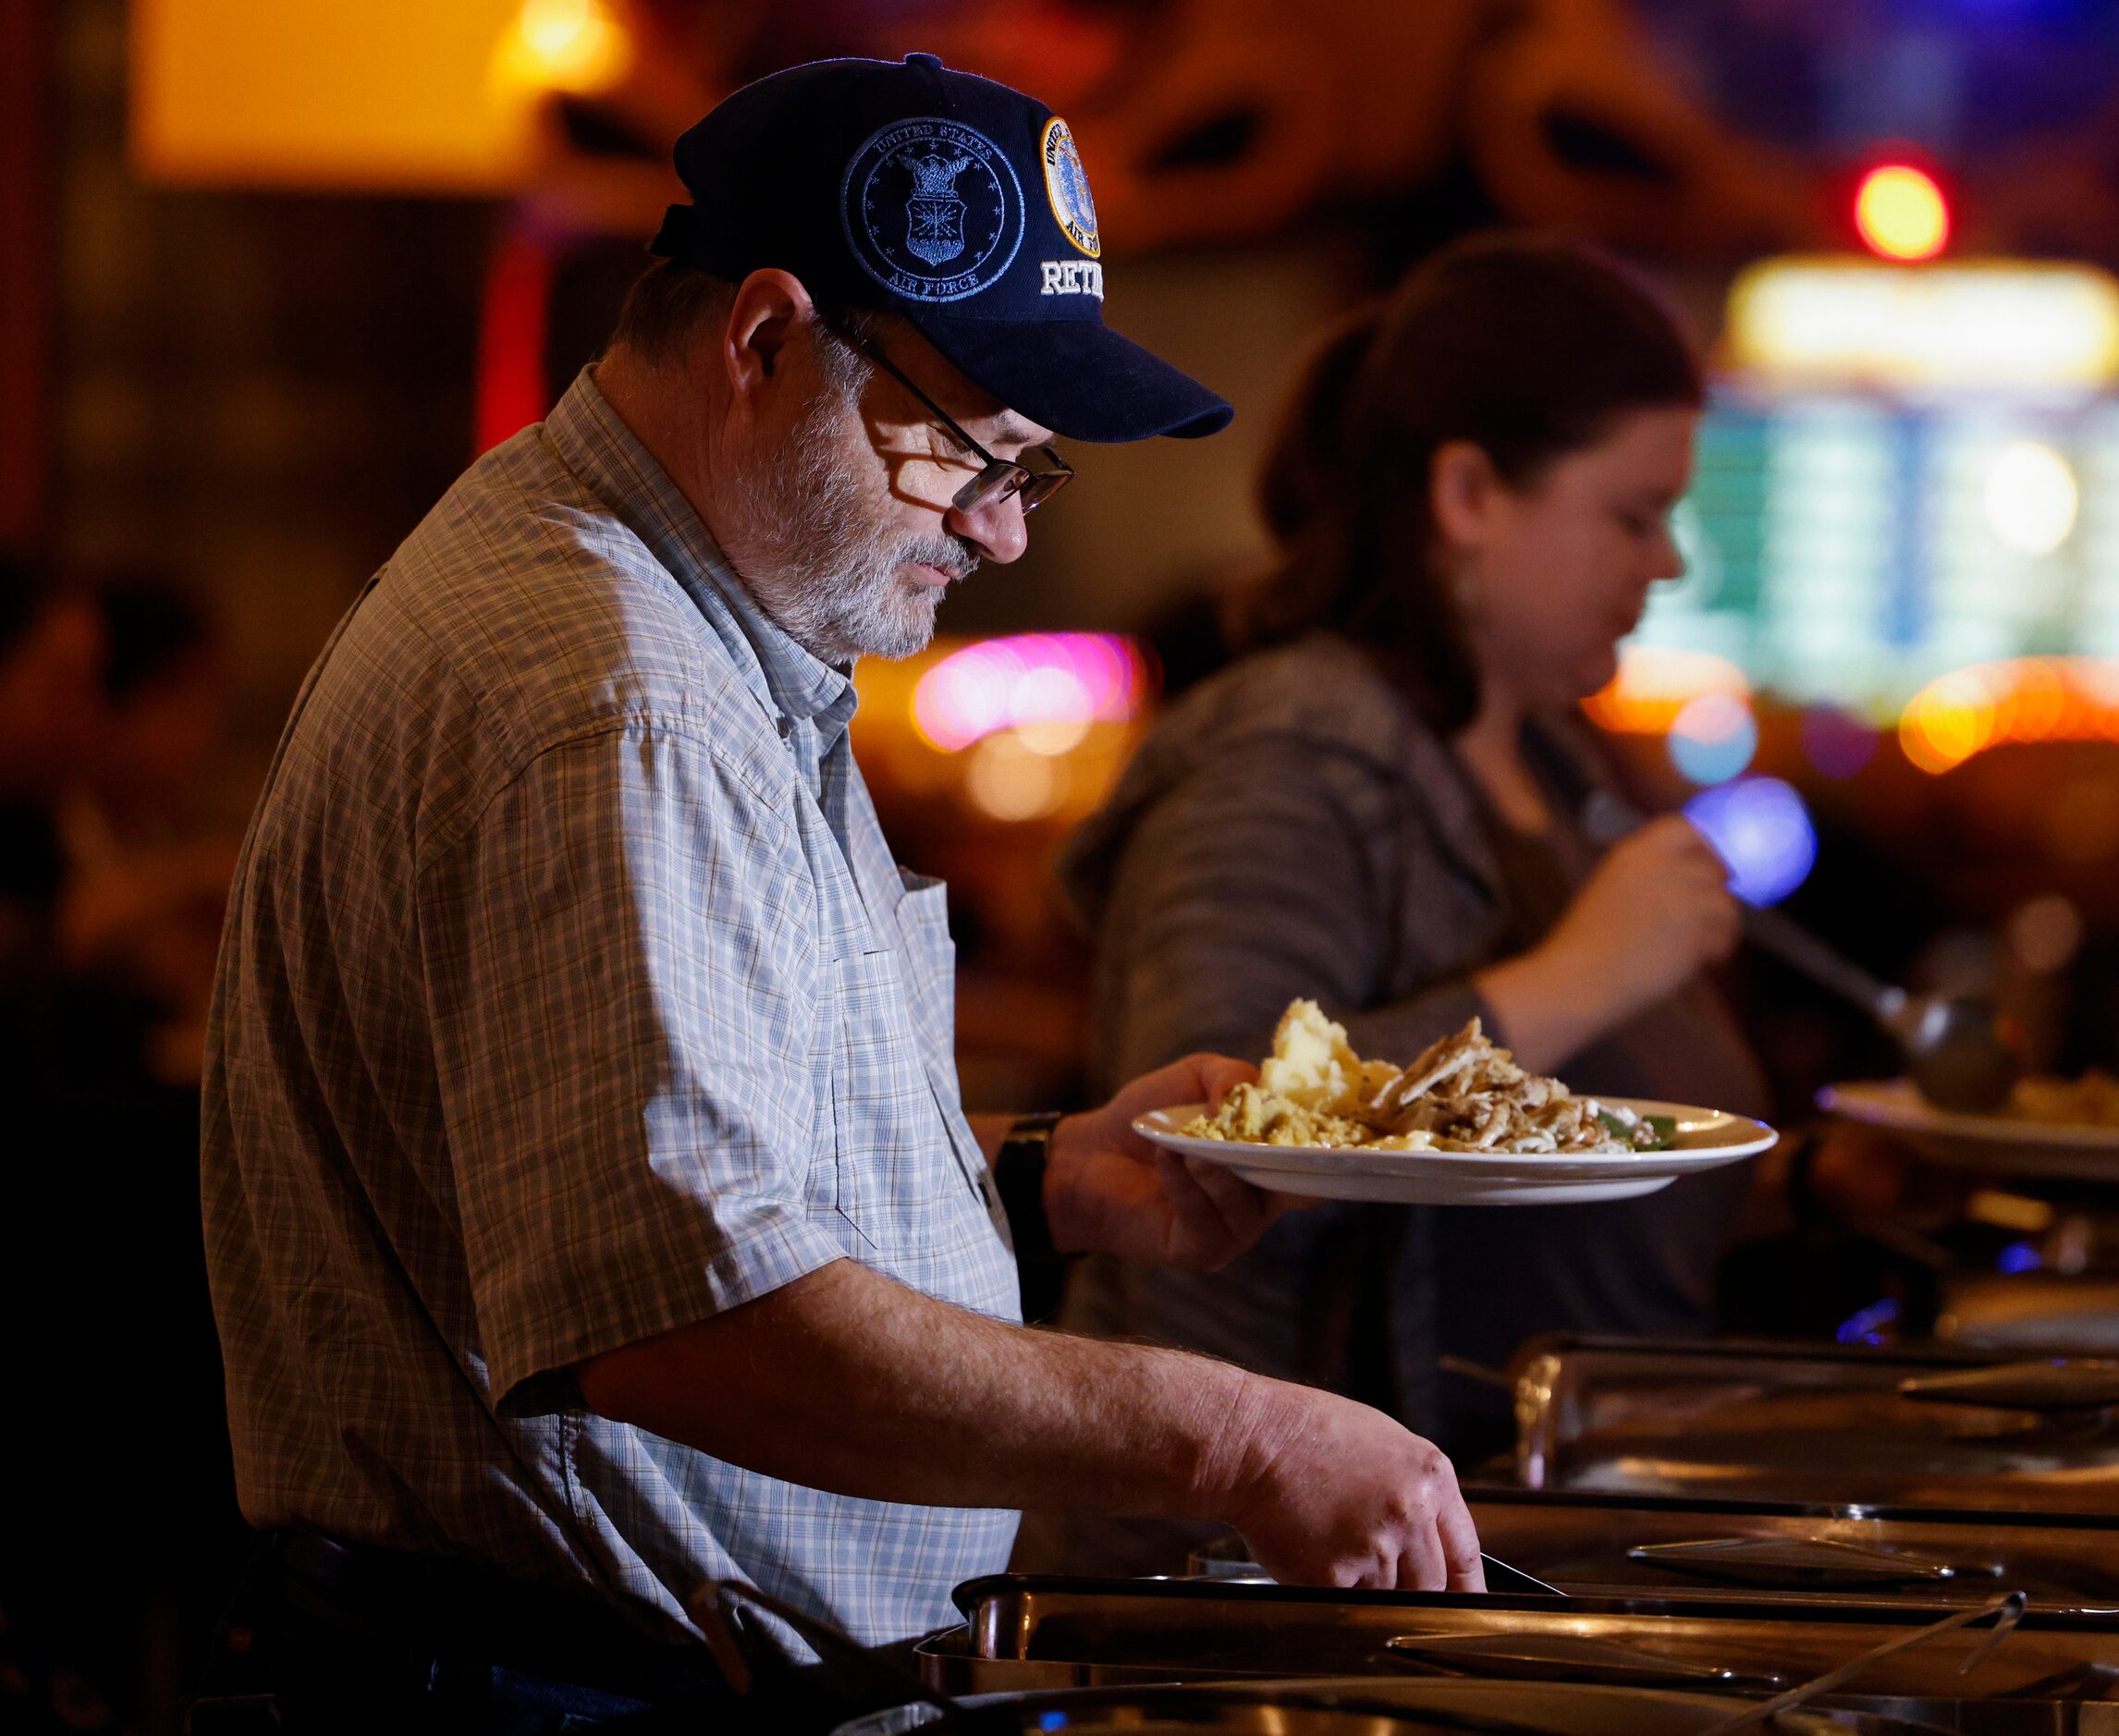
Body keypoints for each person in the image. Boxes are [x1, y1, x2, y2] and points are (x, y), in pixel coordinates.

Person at [196, 56, 1478, 1733]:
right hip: (550, 1694)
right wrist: (1236, 1435)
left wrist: (1042, 1179)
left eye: (1036, 471)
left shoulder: (690, 615)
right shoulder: (620, 693)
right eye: (976, 455)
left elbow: (658, 1180)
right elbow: (688, 1323)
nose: (1007, 534)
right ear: (764, 340)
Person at [1050, 236, 1880, 1552]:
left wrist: (1824, 1187)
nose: (1665, 561)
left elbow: (1582, 1149)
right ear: (1469, 491)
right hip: (1316, 1562)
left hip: (1562, 1502)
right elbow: (1192, 1156)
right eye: (1631, 512)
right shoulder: (1291, 749)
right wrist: (1579, 974)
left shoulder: (1556, 755)